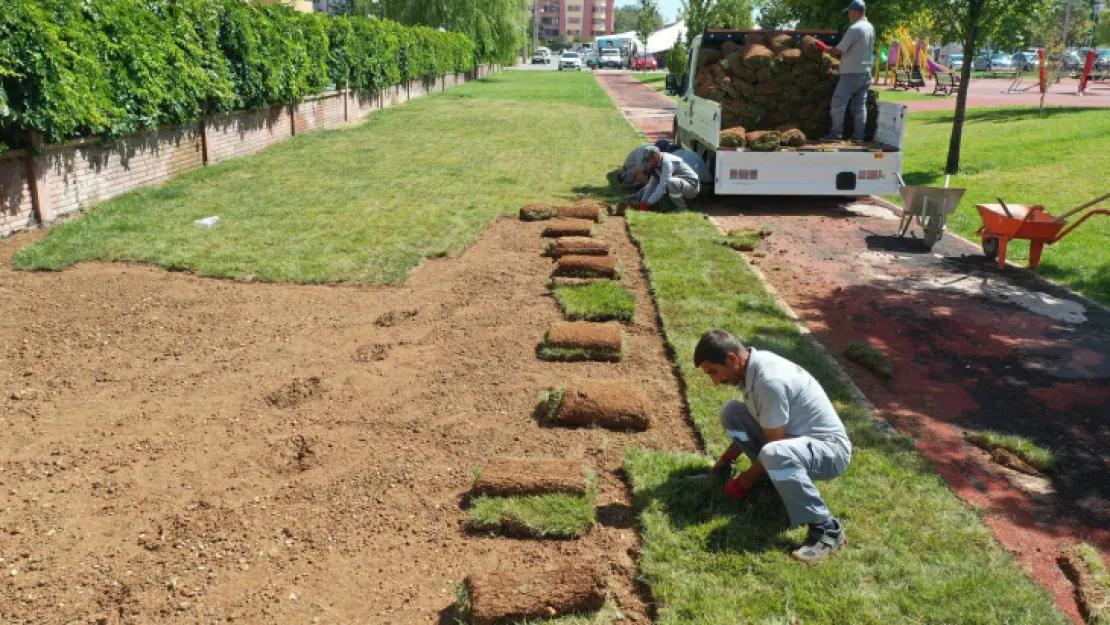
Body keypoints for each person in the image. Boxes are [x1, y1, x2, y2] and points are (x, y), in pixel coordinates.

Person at [694, 329, 852, 564]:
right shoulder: (750, 370)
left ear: (732, 359)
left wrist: (745, 480)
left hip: (830, 451)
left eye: (714, 372)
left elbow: (775, 444)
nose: (715, 381)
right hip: (796, 441)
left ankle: (826, 528)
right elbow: (761, 423)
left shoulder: (769, 381)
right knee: (731, 413)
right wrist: (727, 459)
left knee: (773, 454)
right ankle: (775, 480)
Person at [819, 0, 875, 143]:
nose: (849, 15)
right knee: (859, 107)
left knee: (838, 104)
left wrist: (824, 48)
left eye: (849, 12)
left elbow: (839, 50)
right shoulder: (870, 28)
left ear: (856, 12)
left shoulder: (855, 29)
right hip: (865, 73)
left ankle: (836, 135)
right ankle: (859, 137)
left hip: (851, 73)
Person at [633, 145, 701, 211]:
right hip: (680, 186)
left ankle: (682, 208)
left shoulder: (667, 162)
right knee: (657, 186)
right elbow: (651, 186)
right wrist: (643, 202)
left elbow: (663, 186)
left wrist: (648, 203)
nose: (647, 163)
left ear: (656, 157)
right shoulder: (656, 164)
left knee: (670, 182)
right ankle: (635, 198)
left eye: (648, 160)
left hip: (692, 187)